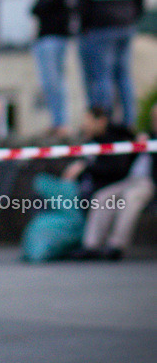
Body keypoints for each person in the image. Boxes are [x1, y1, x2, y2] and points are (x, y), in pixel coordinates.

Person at [21, 106, 134, 262]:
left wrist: (85, 168)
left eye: (88, 122)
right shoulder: (91, 140)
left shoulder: (117, 139)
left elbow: (115, 170)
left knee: (101, 199)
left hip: (109, 186)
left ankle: (94, 246)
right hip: (86, 189)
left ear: (101, 121)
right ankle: (86, 245)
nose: (85, 125)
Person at [71, 101, 157, 260]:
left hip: (148, 182)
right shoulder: (142, 135)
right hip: (129, 180)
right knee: (103, 197)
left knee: (131, 198)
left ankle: (116, 245)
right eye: (154, 118)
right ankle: (91, 245)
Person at [77, 0, 144, 127]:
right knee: (123, 75)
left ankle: (104, 123)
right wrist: (132, 19)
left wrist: (86, 27)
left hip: (101, 29)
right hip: (126, 27)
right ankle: (129, 121)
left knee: (102, 75)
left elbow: (83, 2)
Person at [30, 0, 77, 139]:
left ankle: (61, 122)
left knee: (55, 82)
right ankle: (57, 122)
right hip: (46, 38)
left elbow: (42, 7)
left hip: (55, 37)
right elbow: (36, 8)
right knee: (49, 83)